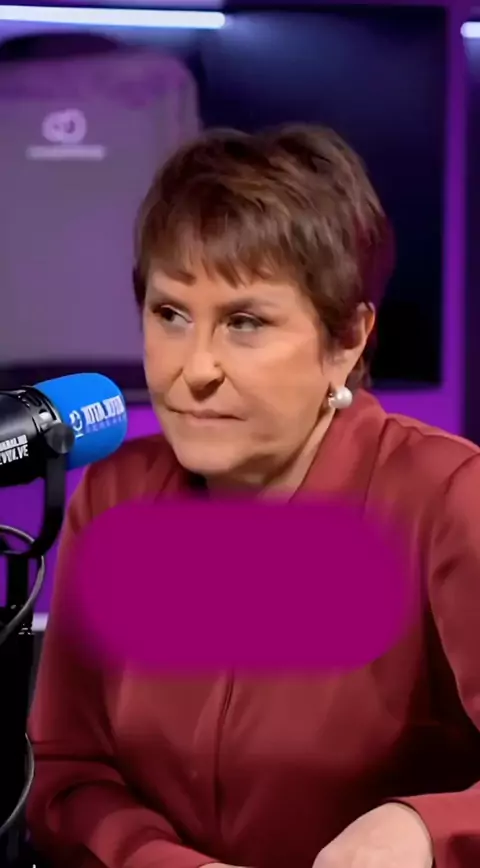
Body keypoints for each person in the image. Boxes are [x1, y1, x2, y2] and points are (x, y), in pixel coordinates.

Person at [27, 125, 480, 868]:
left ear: (347, 339)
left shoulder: (447, 498)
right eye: (171, 315)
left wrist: (427, 828)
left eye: (245, 323)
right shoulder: (114, 496)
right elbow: (65, 774)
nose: (195, 369)